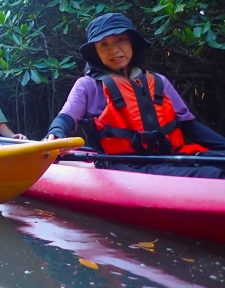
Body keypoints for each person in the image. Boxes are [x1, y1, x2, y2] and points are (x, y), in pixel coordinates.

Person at [46, 12, 225, 178]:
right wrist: (56, 134)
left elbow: (190, 126)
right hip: (122, 167)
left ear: (132, 42)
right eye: (103, 45)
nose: (114, 50)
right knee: (213, 175)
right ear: (96, 52)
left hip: (168, 158)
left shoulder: (159, 81)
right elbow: (66, 118)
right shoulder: (88, 85)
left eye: (120, 40)